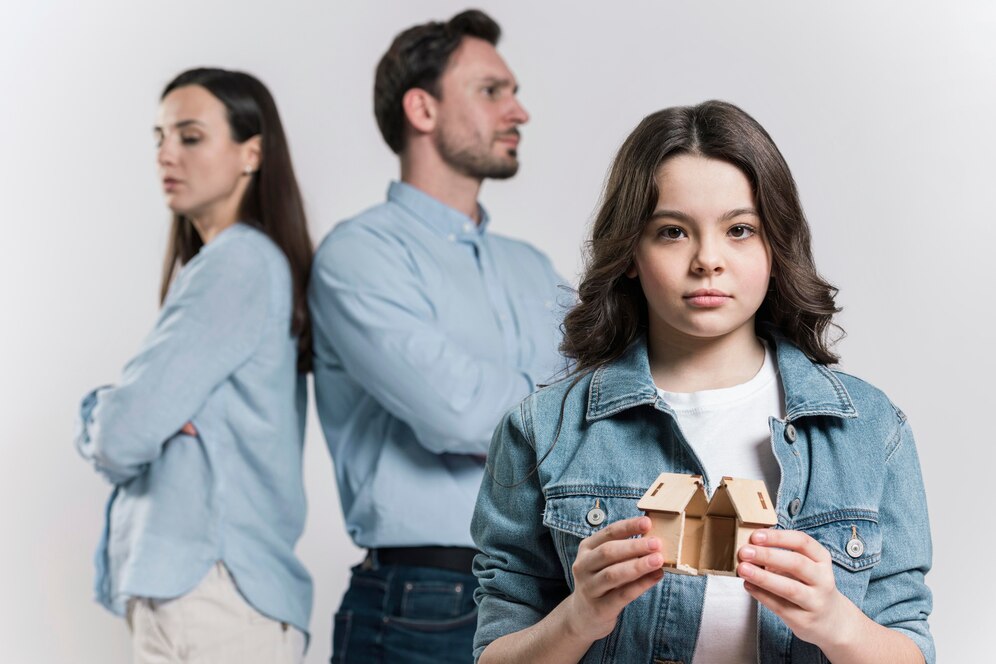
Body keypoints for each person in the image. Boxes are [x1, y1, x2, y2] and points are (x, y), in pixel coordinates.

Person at [471, 100, 934, 664]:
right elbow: (494, 651)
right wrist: (578, 618)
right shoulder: (542, 430)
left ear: (775, 247)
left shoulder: (871, 430)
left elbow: (911, 646)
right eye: (672, 232)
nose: (708, 260)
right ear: (631, 254)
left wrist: (835, 622)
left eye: (740, 230)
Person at [309, 9, 567, 664]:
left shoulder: (532, 266)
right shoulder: (358, 255)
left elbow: (606, 397)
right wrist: (561, 408)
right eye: (492, 92)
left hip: (551, 599)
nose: (520, 112)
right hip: (423, 601)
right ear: (421, 109)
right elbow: (457, 413)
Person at [74, 67, 314, 664]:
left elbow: (120, 433)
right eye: (158, 137)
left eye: (189, 136)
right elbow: (135, 426)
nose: (166, 154)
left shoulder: (237, 264)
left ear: (250, 153)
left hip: (213, 593)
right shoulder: (230, 264)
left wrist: (103, 412)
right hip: (209, 594)